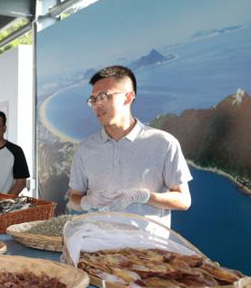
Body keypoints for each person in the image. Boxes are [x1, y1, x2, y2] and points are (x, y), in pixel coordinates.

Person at [68, 65, 192, 227]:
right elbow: (74, 198)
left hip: (149, 248)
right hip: (97, 245)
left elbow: (184, 200)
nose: (97, 104)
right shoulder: (85, 148)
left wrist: (146, 196)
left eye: (104, 96)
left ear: (128, 97)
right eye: (93, 99)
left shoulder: (163, 142)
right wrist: (85, 201)